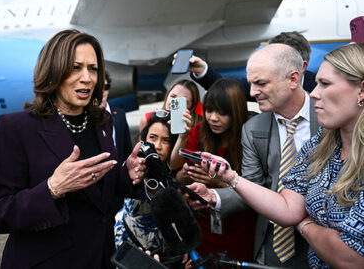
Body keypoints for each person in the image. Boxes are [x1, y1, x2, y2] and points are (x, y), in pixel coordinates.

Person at [193, 43, 364, 268]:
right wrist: (231, 178)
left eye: (325, 84)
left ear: (362, 90)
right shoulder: (322, 142)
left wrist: (304, 224)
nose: (314, 93)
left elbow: (352, 258)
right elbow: (288, 207)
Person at [0, 29, 146, 269]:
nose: (87, 78)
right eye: (75, 67)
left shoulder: (102, 121)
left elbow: (97, 194)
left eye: (93, 69)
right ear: (53, 71)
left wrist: (126, 175)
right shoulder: (16, 127)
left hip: (102, 258)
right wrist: (52, 188)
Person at [187, 43, 320, 268]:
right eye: (250, 84)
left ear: (294, 79)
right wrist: (214, 196)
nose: (252, 93)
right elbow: (252, 185)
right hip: (271, 247)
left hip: (324, 245)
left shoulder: (330, 117)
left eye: (261, 83)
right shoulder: (252, 129)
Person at [172, 78, 256, 261]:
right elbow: (176, 170)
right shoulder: (199, 131)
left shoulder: (251, 135)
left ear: (236, 112)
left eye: (222, 112)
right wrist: (185, 173)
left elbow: (256, 189)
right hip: (203, 224)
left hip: (240, 226)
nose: (213, 118)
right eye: (209, 110)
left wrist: (218, 182)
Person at [115, 113, 183, 264]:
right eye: (153, 137)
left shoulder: (175, 175)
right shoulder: (135, 169)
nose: (158, 146)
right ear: (143, 140)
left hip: (166, 254)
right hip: (131, 250)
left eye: (166, 140)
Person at [188, 31, 317, 98]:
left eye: (275, 62)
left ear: (301, 67)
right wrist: (201, 70)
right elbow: (228, 87)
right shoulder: (261, 86)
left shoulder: (321, 90)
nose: (255, 92)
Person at [100, 71, 134, 215]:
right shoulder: (85, 116)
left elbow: (126, 149)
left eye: (105, 87)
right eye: (98, 87)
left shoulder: (118, 114)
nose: (102, 92)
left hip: (118, 182)